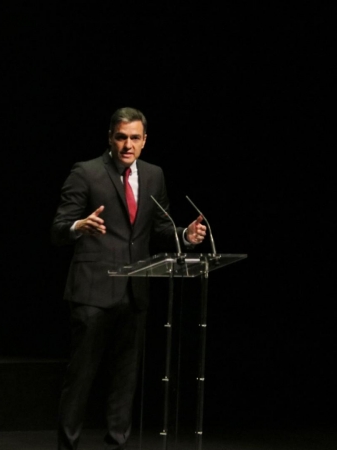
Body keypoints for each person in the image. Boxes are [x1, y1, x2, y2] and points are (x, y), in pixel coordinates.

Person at [51, 107, 206, 450]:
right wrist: (80, 225)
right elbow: (59, 228)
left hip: (135, 291)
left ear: (144, 141)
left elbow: (160, 228)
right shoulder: (86, 172)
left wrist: (185, 235)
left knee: (126, 379)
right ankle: (67, 445)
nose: (127, 145)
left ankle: (117, 444)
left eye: (135, 138)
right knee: (81, 377)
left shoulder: (154, 175)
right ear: (110, 137)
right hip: (93, 290)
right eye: (121, 137)